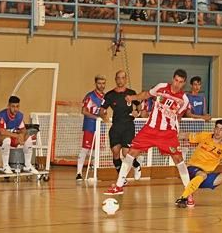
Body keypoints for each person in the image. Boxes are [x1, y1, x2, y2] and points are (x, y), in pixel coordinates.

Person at [104, 69, 191, 197]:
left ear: (184, 83)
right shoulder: (161, 87)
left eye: (181, 82)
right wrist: (133, 97)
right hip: (150, 129)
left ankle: (189, 194)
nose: (177, 84)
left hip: (167, 133)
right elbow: (146, 95)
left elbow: (178, 116)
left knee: (178, 159)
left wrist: (176, 130)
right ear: (173, 79)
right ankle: (118, 186)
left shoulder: (184, 99)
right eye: (176, 80)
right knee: (131, 152)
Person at [175, 120, 222, 208]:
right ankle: (183, 198)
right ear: (214, 128)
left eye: (221, 129)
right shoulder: (204, 136)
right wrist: (169, 135)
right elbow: (186, 135)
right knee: (202, 174)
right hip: (192, 170)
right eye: (216, 128)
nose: (218, 131)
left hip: (206, 175)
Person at [100, 71, 143, 182]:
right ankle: (121, 177)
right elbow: (102, 109)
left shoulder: (131, 93)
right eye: (118, 78)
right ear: (115, 79)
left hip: (128, 126)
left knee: (126, 153)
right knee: (115, 152)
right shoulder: (110, 95)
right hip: (116, 127)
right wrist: (103, 116)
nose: (120, 80)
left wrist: (137, 113)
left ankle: (136, 165)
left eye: (122, 78)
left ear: (126, 79)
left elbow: (140, 107)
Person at [0, 96, 39, 175]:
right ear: (8, 106)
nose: (15, 109)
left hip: (10, 136)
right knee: (7, 140)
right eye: (13, 106)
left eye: (17, 106)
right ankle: (5, 166)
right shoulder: (2, 115)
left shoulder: (19, 115)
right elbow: (2, 132)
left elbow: (23, 129)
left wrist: (22, 136)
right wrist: (17, 136)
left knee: (28, 138)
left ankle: (28, 165)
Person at [76, 75, 106, 181]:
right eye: (99, 83)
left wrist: (104, 119)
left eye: (103, 83)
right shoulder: (90, 96)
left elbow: (104, 112)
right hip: (90, 126)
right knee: (85, 148)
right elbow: (84, 111)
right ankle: (79, 173)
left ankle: (94, 170)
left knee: (97, 150)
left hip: (100, 127)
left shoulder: (105, 97)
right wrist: (96, 117)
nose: (101, 85)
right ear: (95, 84)